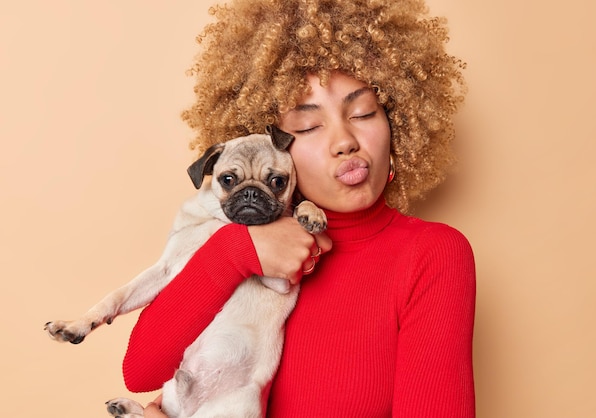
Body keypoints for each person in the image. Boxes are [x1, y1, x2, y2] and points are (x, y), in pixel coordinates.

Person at [123, 0, 476, 416]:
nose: (344, 141)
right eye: (308, 126)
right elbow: (141, 372)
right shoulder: (235, 246)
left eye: (363, 112)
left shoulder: (432, 254)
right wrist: (237, 251)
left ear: (396, 121)